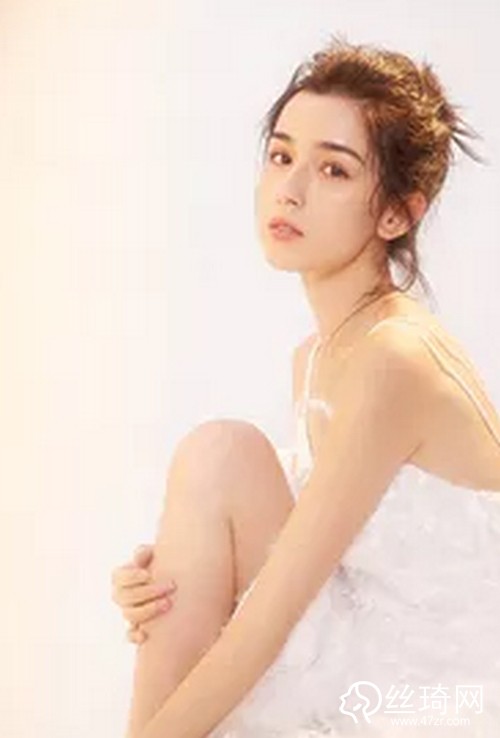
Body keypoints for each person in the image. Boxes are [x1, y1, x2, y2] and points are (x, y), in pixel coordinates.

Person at [111, 35, 500, 737]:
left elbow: (270, 616)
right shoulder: (321, 356)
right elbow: (283, 554)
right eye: (282, 155)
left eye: (334, 170)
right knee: (219, 458)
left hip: (432, 700)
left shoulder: (395, 360)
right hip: (365, 646)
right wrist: (170, 574)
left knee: (218, 460)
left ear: (397, 214)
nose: (290, 189)